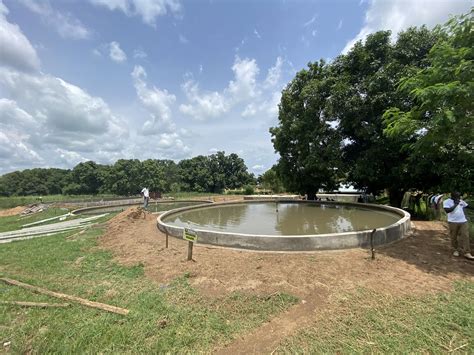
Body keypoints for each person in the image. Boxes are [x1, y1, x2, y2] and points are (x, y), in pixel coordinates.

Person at [443, 192, 473, 260]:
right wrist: (455, 204)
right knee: (454, 236)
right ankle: (455, 250)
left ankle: (467, 252)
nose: (459, 198)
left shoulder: (461, 201)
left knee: (465, 236)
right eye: (457, 197)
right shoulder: (446, 202)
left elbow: (467, 206)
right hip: (453, 222)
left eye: (459, 197)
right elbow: (447, 210)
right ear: (452, 196)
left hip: (463, 221)